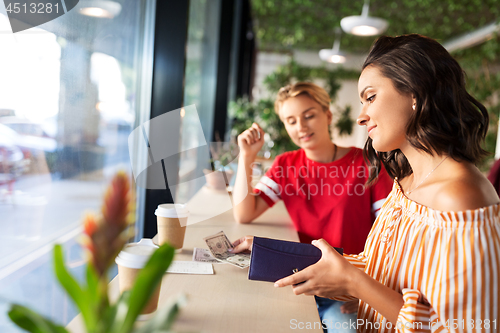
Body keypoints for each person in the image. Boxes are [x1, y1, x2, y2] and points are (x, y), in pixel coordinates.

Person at [233, 34, 500, 332]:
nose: (361, 117)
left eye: (370, 97)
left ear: (415, 91)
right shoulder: (406, 184)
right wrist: (274, 253)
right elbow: (376, 269)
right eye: (290, 120)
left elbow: (469, 327)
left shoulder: (461, 197)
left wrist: (355, 284)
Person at [232, 82, 393, 332]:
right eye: (291, 120)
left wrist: (364, 291)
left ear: (327, 116)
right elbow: (244, 212)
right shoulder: (285, 164)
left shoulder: (368, 163)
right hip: (299, 280)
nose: (301, 126)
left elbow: (390, 238)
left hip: (346, 286)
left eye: (309, 116)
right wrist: (246, 157)